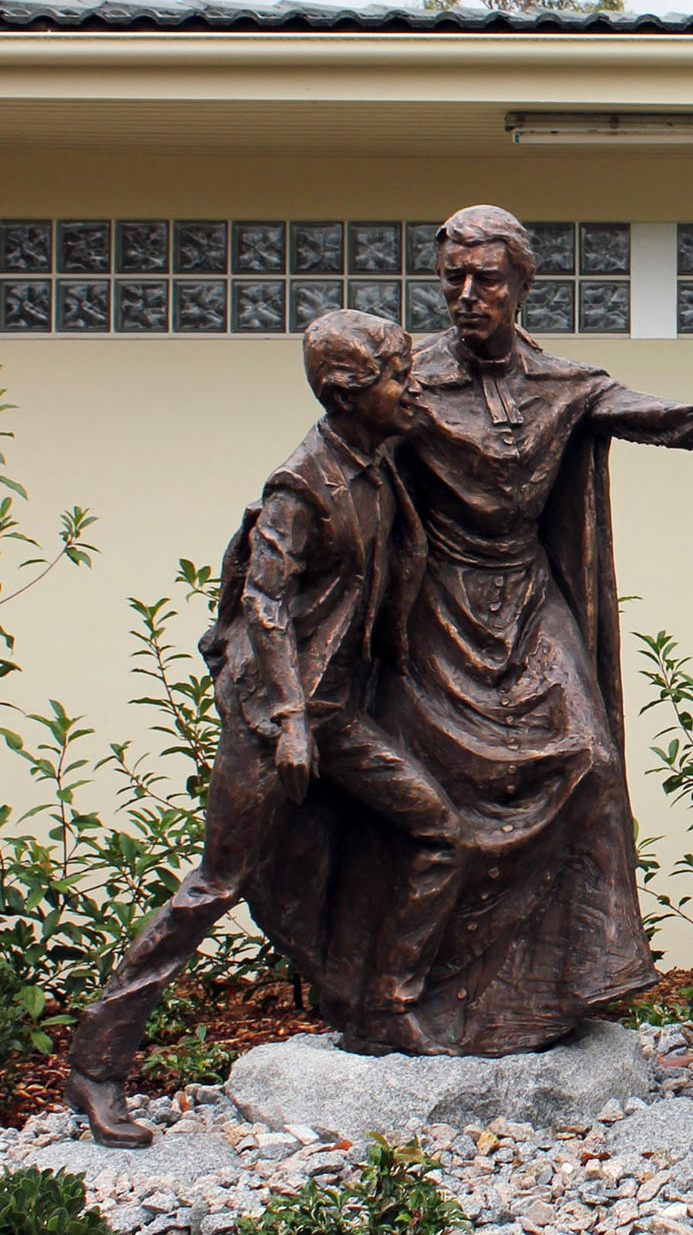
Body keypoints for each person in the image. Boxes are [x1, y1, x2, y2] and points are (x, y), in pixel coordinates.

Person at [260, 205, 693, 1058]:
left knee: (589, 763)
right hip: (432, 612)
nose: (467, 295)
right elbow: (324, 467)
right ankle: (412, 993)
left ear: (521, 284)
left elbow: (682, 419)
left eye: (486, 278)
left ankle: (551, 986)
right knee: (437, 799)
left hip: (528, 600)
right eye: (453, 278)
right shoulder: (403, 381)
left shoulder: (566, 385)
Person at [66, 310, 465, 1148]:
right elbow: (263, 600)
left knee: (438, 830)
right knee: (215, 886)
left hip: (335, 715)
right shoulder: (303, 484)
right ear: (349, 394)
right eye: (400, 374)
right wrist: (286, 719)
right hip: (273, 720)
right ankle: (98, 1064)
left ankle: (387, 1005)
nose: (414, 385)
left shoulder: (378, 458)